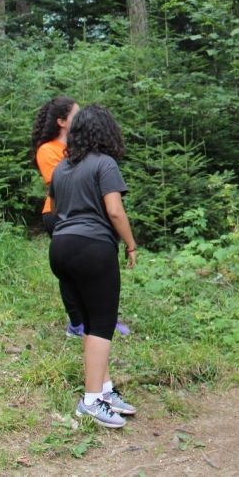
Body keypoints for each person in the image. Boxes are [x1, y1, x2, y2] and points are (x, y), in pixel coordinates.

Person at [48, 104, 138, 429]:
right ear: (106, 131)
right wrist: (130, 243)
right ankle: (90, 402)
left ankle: (104, 390)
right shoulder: (104, 164)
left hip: (59, 247)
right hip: (92, 248)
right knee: (103, 323)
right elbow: (114, 211)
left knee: (89, 324)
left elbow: (57, 209)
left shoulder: (61, 169)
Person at [32, 98, 129, 340]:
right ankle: (78, 321)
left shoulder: (87, 153)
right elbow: (60, 184)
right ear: (62, 122)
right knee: (74, 264)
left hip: (86, 214)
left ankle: (98, 318)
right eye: (76, 115)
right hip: (62, 213)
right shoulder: (50, 151)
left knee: (88, 270)